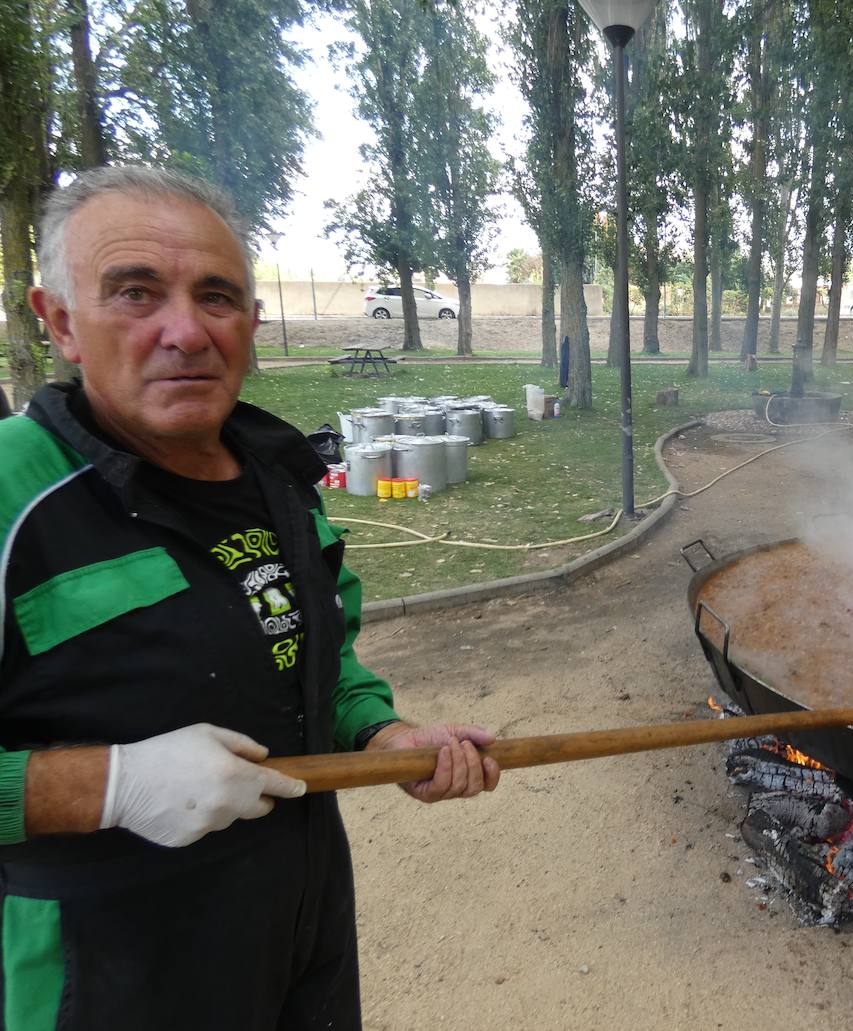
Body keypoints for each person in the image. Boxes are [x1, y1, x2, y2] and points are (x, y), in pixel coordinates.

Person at [0, 165, 500, 1030]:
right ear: (61, 322)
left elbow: (321, 659)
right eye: (136, 292)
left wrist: (383, 734)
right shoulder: (13, 493)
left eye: (218, 297)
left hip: (299, 934)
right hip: (103, 978)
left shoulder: (282, 481)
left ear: (252, 324)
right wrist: (108, 784)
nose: (186, 331)